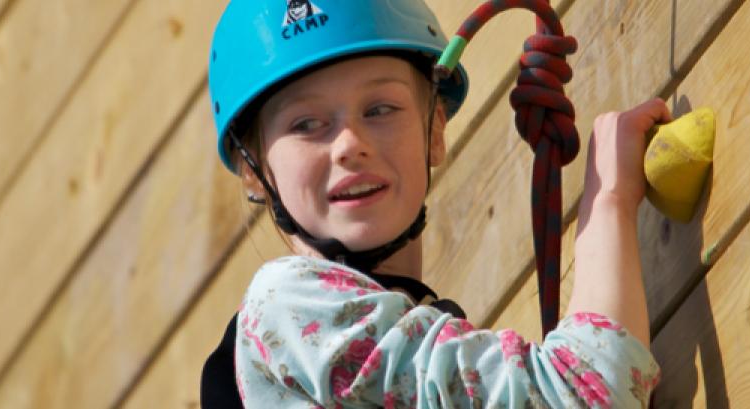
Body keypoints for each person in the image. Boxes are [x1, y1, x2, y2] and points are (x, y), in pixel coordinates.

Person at [200, 1, 669, 407]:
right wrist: (609, 198)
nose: (349, 144)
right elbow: (582, 397)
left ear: (436, 131)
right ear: (253, 170)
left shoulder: (400, 343)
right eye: (305, 124)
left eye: (380, 109)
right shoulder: (288, 304)